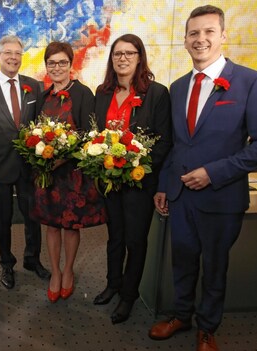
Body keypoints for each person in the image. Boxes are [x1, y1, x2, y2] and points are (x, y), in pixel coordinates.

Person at [148, 6, 257, 351]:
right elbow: (175, 144)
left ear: (223, 36)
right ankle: (181, 316)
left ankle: (208, 329)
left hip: (222, 197)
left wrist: (214, 172)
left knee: (215, 267)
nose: (200, 39)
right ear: (186, 40)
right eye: (194, 33)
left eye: (208, 32)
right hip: (180, 197)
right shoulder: (177, 87)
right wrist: (164, 184)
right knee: (183, 261)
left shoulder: (252, 82)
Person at [92, 34, 172, 324]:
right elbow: (96, 136)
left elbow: (164, 142)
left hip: (139, 181)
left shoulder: (157, 93)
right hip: (110, 180)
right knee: (114, 237)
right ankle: (113, 283)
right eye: (117, 54)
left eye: (129, 53)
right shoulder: (102, 93)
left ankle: (129, 294)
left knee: (135, 241)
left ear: (140, 58)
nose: (122, 58)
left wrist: (135, 164)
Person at [31, 41, 107, 303]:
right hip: (48, 174)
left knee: (71, 226)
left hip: (72, 174)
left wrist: (63, 157)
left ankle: (69, 271)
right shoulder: (42, 96)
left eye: (62, 62)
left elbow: (88, 134)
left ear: (70, 64)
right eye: (51, 63)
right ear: (46, 66)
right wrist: (41, 157)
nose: (57, 67)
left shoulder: (84, 94)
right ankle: (55, 272)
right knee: (52, 227)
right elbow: (33, 133)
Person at [0, 35, 50, 289]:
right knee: (2, 219)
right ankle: (6, 263)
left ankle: (32, 259)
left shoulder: (34, 86)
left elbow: (41, 127)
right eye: (8, 53)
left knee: (33, 217)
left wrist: (42, 166)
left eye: (18, 53)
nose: (13, 58)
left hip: (29, 168)